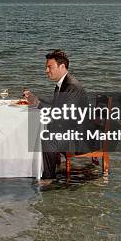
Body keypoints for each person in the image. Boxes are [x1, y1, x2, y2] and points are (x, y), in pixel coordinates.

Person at [23, 49, 91, 182]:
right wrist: (35, 98)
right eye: (46, 67)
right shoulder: (61, 84)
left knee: (47, 138)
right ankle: (37, 168)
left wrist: (37, 104)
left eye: (49, 67)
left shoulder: (72, 86)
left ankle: (49, 179)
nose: (46, 70)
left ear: (62, 66)